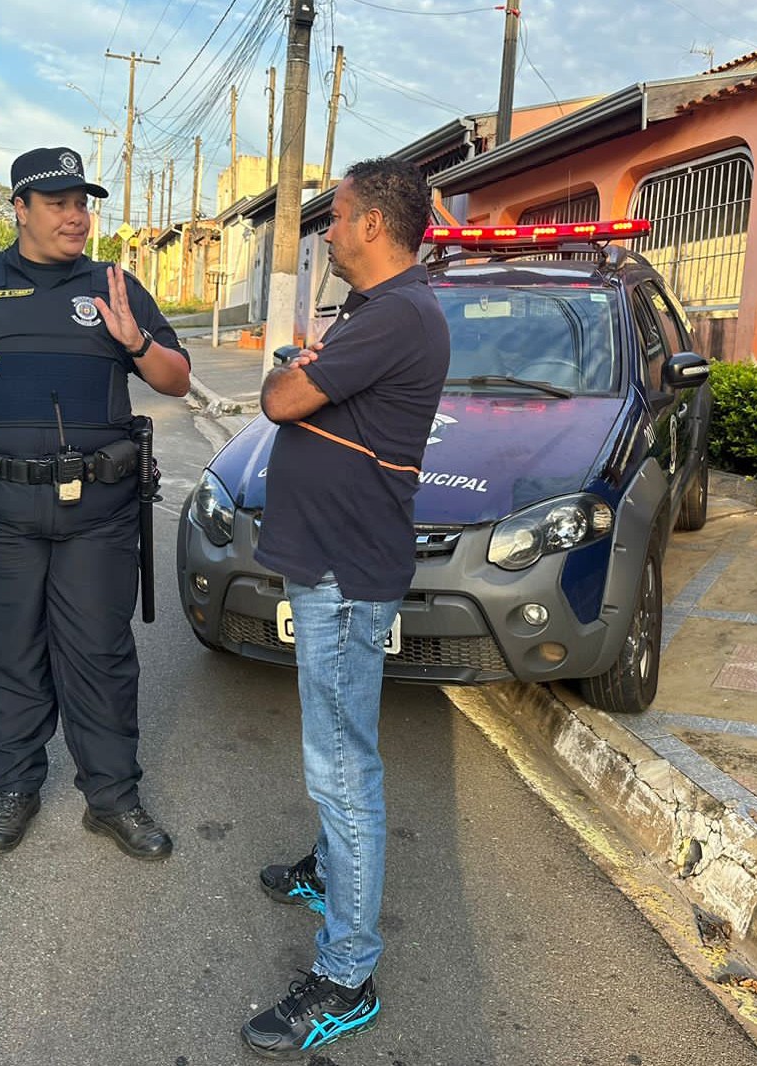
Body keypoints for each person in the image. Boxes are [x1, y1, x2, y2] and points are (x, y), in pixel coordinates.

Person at [0, 146, 190, 861]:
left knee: (101, 655)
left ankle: (113, 797)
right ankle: (15, 788)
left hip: (99, 512)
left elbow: (176, 380)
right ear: (19, 209)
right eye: (58, 203)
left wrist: (137, 341)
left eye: (83, 202)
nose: (76, 216)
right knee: (11, 654)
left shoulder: (115, 286)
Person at [241, 157, 450, 1059]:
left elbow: (282, 396)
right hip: (327, 563)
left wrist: (294, 369)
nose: (328, 231)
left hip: (343, 573)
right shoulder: (375, 313)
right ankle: (330, 872)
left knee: (341, 763)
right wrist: (302, 363)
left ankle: (347, 974)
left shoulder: (398, 312)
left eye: (337, 217)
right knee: (334, 745)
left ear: (373, 225)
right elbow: (302, 386)